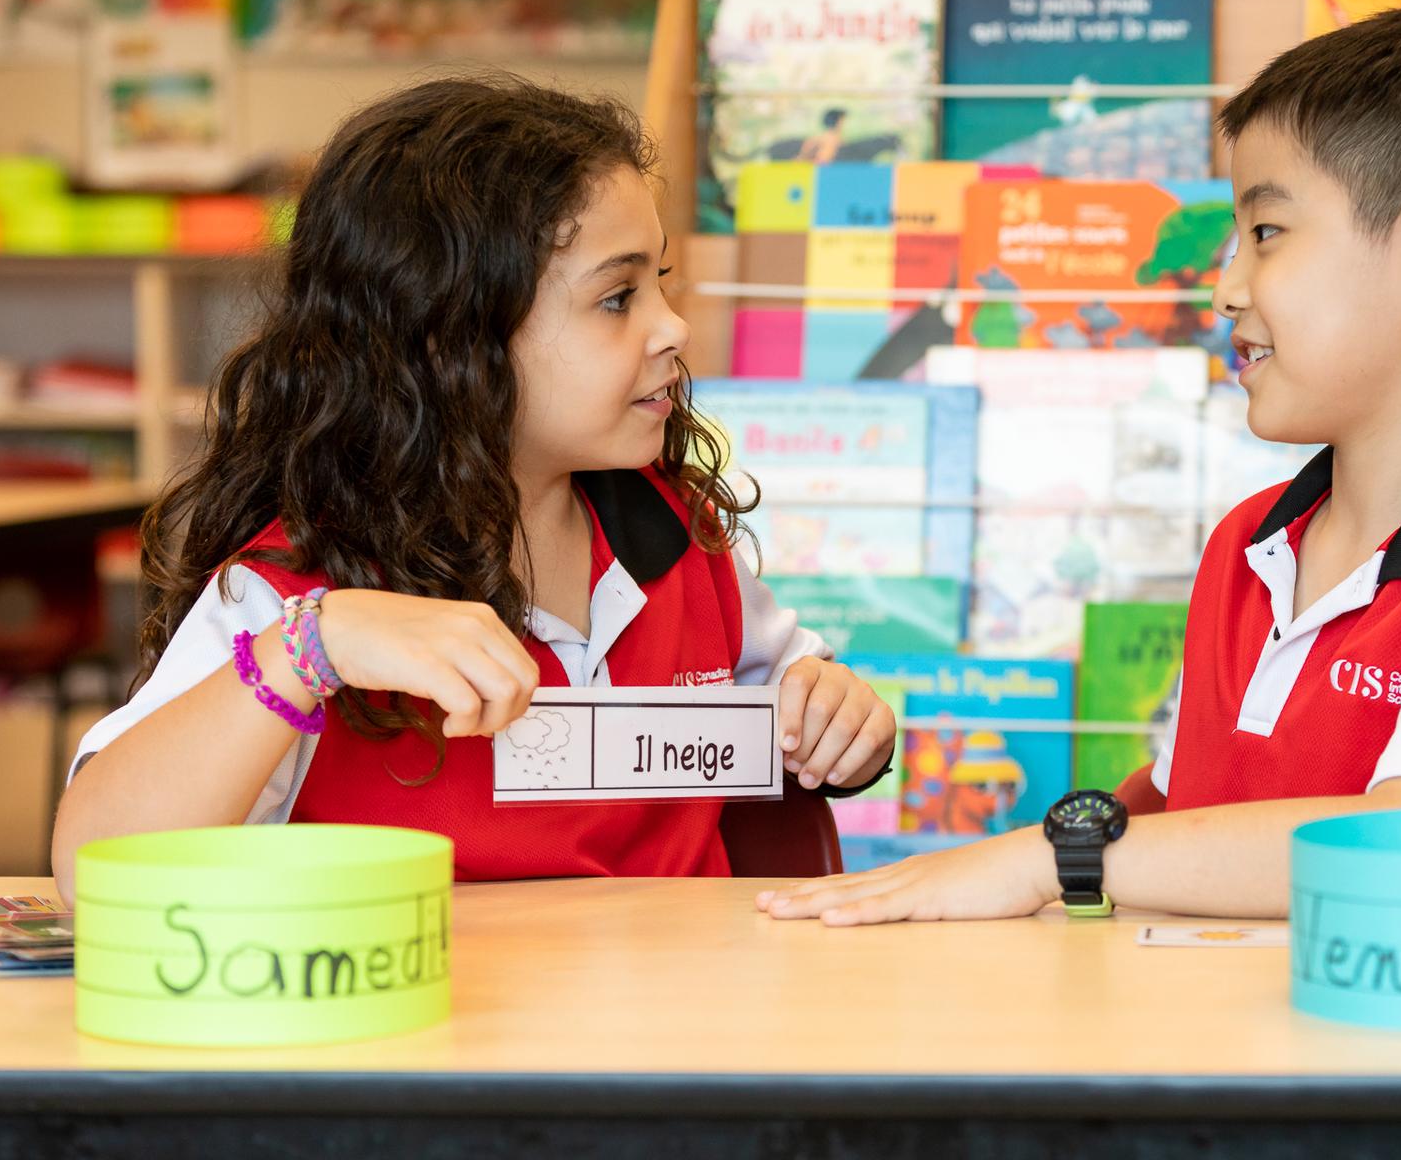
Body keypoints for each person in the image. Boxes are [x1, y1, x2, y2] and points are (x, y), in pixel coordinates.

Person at [757, 3, 1401, 926]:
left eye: (1267, 234)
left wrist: (1054, 859)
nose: (1224, 287)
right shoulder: (1249, 545)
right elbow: (1172, 822)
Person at [51, 77, 895, 903]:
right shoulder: (296, 596)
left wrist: (839, 722)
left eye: (661, 283)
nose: (672, 327)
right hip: (431, 1033)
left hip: (680, 1028)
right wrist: (311, 650)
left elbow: (793, 703)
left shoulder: (678, 534)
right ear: (450, 341)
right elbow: (96, 875)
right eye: (617, 298)